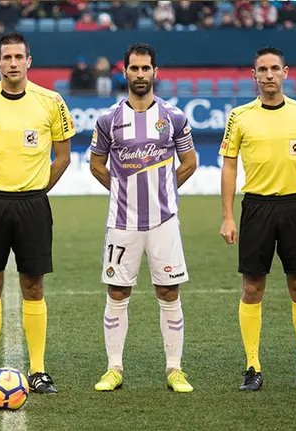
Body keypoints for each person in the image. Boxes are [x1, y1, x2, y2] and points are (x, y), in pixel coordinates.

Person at [0, 32, 75, 395]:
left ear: (29, 61)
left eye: (18, 57)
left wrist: (38, 189)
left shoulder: (51, 101)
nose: (11, 63)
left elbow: (64, 156)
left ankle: (38, 370)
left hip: (33, 204)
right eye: (5, 57)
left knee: (33, 285)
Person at [89, 43, 197, 393]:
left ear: (155, 71)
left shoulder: (174, 117)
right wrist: (121, 189)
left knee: (168, 291)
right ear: (124, 71)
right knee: (117, 291)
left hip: (164, 221)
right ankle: (114, 368)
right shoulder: (108, 119)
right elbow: (95, 164)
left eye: (145, 68)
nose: (139, 75)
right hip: (122, 223)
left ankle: (174, 370)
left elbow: (190, 162)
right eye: (134, 68)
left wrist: (166, 190)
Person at [219, 47, 296, 392]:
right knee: (252, 288)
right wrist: (227, 216)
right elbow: (230, 165)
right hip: (256, 208)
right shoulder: (239, 116)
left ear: (285, 72)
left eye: (274, 69)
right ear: (254, 75)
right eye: (262, 69)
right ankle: (252, 366)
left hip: (295, 206)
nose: (268, 75)